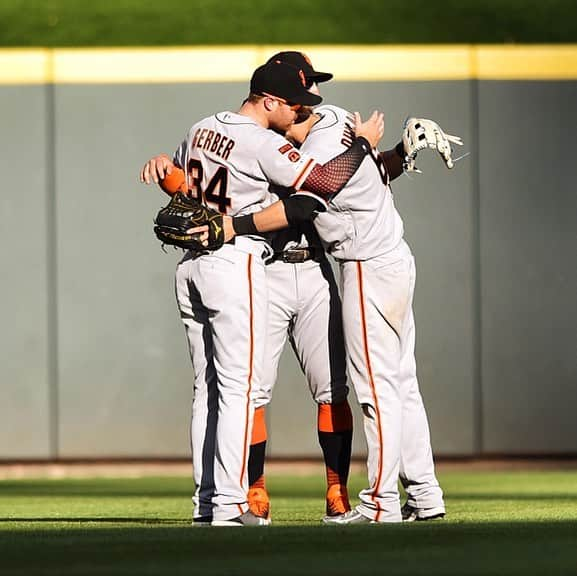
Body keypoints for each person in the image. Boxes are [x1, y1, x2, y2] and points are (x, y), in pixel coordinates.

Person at [140, 60, 384, 526]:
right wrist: (366, 148)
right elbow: (323, 185)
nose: (300, 112)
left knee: (207, 390)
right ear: (269, 101)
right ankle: (232, 504)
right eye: (294, 104)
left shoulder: (201, 127)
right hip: (237, 260)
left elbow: (185, 190)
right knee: (238, 390)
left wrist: (166, 171)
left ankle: (207, 502)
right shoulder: (262, 142)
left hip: (191, 265)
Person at [220, 103, 448, 523]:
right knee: (403, 385)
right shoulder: (339, 120)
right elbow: (361, 171)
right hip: (393, 257)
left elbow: (320, 184)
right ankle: (425, 493)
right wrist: (395, 153)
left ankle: (380, 503)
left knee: (376, 393)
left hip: (366, 263)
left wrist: (232, 227)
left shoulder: (322, 146)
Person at [247, 51, 353, 524]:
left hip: (312, 268)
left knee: (332, 388)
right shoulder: (250, 137)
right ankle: (253, 490)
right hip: (266, 266)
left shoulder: (321, 125)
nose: (309, 98)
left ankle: (337, 491)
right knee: (251, 391)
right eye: (302, 88)